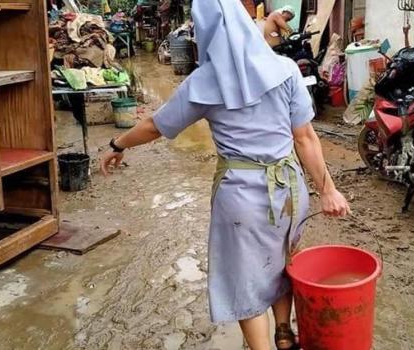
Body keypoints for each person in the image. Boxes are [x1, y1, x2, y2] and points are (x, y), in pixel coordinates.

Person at [100, 0, 350, 349]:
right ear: (247, 24)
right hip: (290, 190)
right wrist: (328, 190)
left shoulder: (203, 82)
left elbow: (154, 127)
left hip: (241, 199)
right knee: (282, 261)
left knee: (245, 280)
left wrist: (118, 143)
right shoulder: (285, 69)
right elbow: (305, 138)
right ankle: (283, 332)